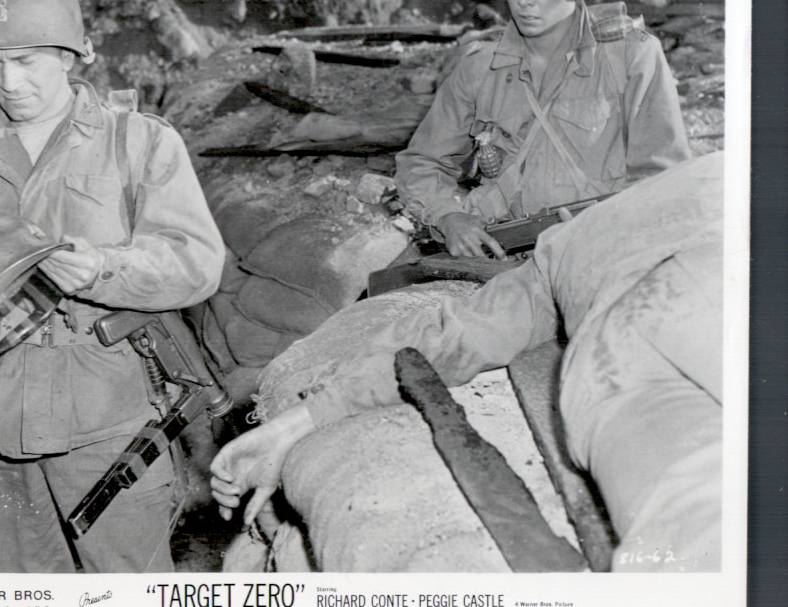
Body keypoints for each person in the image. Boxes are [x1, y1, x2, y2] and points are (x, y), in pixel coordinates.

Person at [212, 152, 724, 571]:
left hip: (620, 348)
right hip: (639, 343)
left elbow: (457, 333)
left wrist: (297, 423)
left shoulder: (603, 224)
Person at [0, 0, 225, 572]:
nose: (8, 82)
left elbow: (196, 262)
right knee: (25, 603)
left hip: (108, 425)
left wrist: (104, 269)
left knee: (130, 601)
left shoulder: (138, 143)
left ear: (71, 56)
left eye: (27, 61)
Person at [395, 0, 691, 259]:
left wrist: (606, 235)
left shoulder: (630, 56)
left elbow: (663, 177)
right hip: (501, 249)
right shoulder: (479, 68)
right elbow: (422, 162)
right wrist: (449, 217)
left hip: (602, 246)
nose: (524, 0)